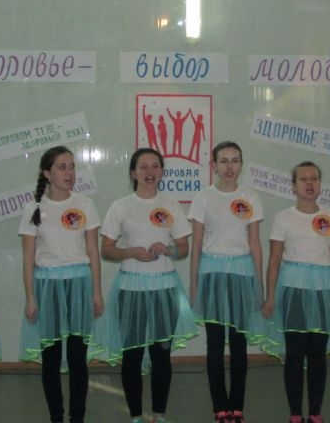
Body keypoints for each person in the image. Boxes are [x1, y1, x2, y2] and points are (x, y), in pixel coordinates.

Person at [95, 147, 198, 423]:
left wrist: (169, 249)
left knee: (161, 355)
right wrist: (130, 252)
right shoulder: (121, 206)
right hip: (131, 290)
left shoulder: (171, 204)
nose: (149, 172)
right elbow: (106, 249)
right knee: (132, 355)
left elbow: (183, 247)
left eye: (155, 166)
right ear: (133, 173)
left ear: (162, 171)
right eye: (143, 167)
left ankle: (159, 414)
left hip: (165, 289)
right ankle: (136, 416)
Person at [261, 161, 330, 423]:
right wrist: (270, 296)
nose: (309, 183)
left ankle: (315, 412)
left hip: (324, 291)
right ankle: (295, 413)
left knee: (317, 354)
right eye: (303, 179)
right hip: (293, 290)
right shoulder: (283, 218)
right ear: (293, 186)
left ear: (320, 184)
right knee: (294, 354)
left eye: (314, 178)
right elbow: (274, 260)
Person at [19, 146, 104, 423]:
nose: (69, 173)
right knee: (51, 358)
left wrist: (96, 290)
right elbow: (28, 258)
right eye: (62, 167)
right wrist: (31, 297)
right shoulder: (34, 208)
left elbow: (93, 252)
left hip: (79, 285)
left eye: (72, 167)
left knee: (78, 358)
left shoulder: (85, 204)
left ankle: (77, 417)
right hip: (47, 286)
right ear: (47, 173)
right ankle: (56, 417)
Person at [189, 141, 266, 423]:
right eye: (223, 161)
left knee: (238, 342)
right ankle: (219, 406)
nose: (229, 166)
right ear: (214, 165)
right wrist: (194, 283)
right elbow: (197, 244)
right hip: (211, 273)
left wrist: (259, 283)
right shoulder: (203, 198)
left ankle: (237, 405)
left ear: (241, 164)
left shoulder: (251, 197)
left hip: (242, 273)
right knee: (214, 342)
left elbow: (255, 243)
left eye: (235, 160)